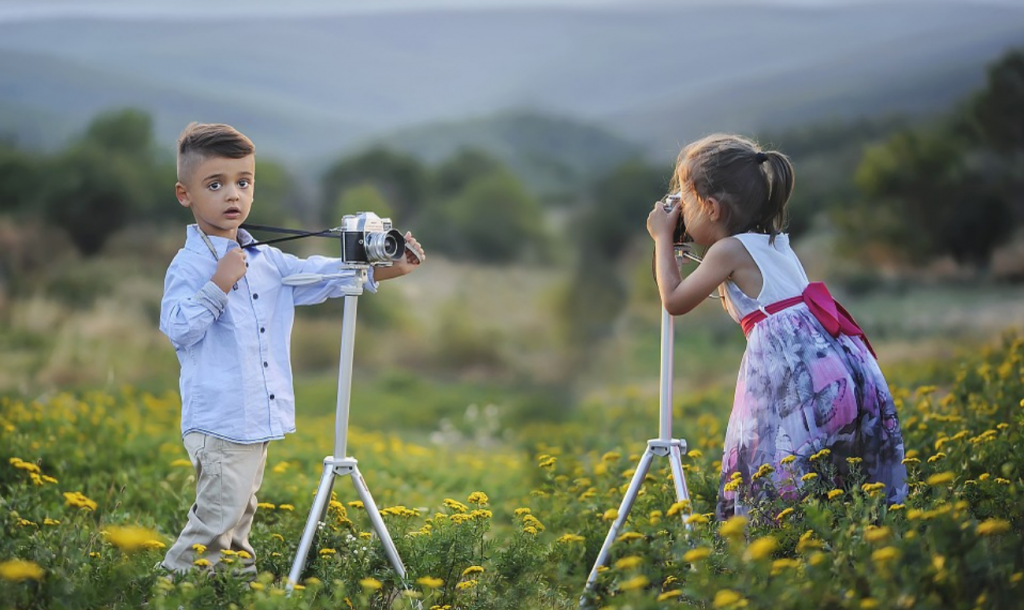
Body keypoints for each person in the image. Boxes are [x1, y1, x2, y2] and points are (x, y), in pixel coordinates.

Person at [158, 122, 426, 574]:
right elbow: (177, 328)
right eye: (216, 184)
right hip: (221, 419)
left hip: (254, 418)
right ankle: (168, 591)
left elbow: (319, 275)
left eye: (243, 183)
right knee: (215, 520)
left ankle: (234, 587)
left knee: (239, 516)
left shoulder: (268, 259)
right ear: (185, 194)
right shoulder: (190, 264)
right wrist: (218, 284)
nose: (232, 196)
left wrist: (386, 269)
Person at [646, 133, 906, 520]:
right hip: (842, 370)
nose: (679, 210)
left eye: (685, 199)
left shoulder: (727, 251)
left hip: (794, 380)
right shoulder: (775, 242)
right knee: (834, 474)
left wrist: (661, 239)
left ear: (712, 208)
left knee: (770, 461)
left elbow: (674, 300)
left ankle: (776, 544)